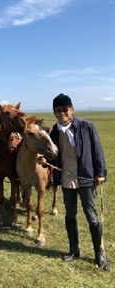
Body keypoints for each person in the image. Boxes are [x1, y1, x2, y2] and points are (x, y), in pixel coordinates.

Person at [44, 93, 110, 271]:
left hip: (86, 178)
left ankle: (99, 254)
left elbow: (98, 151)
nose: (62, 113)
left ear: (72, 110)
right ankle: (74, 251)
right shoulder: (54, 132)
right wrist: (44, 161)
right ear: (54, 113)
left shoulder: (87, 127)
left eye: (65, 109)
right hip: (67, 179)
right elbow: (51, 154)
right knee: (70, 215)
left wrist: (100, 172)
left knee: (92, 216)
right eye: (58, 110)